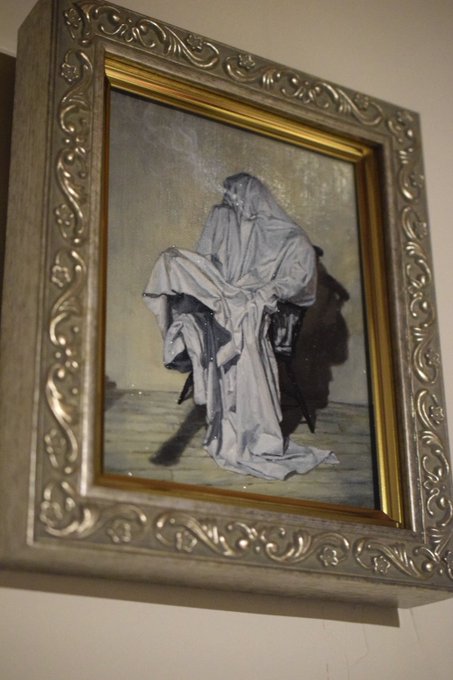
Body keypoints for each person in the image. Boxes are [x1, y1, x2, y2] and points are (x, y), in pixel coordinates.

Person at [143, 173, 338, 479]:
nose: (231, 202)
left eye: (237, 195)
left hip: (251, 306)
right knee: (172, 260)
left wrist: (268, 291)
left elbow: (298, 280)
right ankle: (204, 329)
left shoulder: (288, 237)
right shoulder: (222, 219)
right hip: (223, 297)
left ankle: (243, 424)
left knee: (240, 318)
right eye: (229, 196)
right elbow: (207, 261)